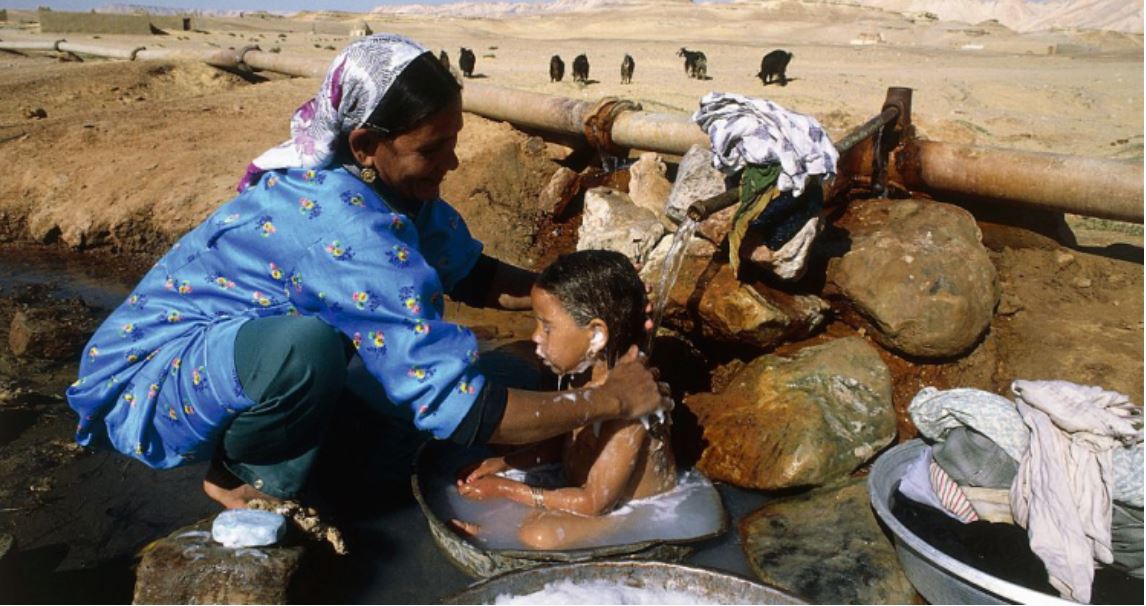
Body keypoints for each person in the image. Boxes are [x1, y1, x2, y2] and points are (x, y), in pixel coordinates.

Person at [65, 34, 670, 510]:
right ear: (363, 145)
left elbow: (471, 275)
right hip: (153, 377)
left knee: (349, 362)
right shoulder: (342, 227)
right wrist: (607, 399)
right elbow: (456, 407)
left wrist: (574, 296)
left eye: (453, 140)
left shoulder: (395, 192)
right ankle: (240, 474)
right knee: (304, 351)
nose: (452, 162)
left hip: (233, 358)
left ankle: (313, 431)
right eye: (431, 149)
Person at [451, 250, 677, 550]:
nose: (534, 337)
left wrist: (508, 489)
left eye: (546, 326)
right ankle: (511, 518)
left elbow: (593, 503)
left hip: (635, 513)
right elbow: (565, 441)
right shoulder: (580, 373)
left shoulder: (630, 406)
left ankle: (506, 529)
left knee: (539, 536)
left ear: (596, 336)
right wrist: (506, 463)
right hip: (582, 490)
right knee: (507, 441)